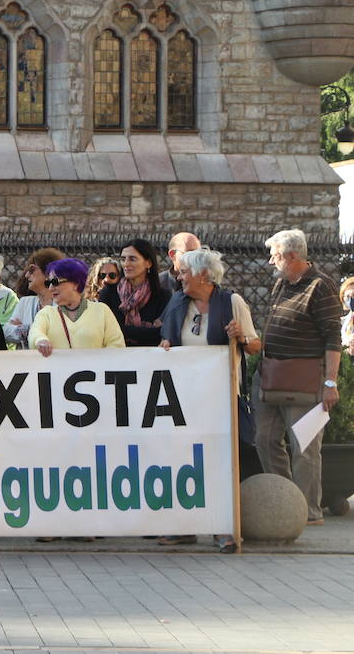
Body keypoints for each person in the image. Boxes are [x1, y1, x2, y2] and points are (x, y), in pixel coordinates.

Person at [157, 247, 260, 552]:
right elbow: (168, 340)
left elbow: (255, 346)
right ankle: (186, 527)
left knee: (219, 463)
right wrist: (165, 343)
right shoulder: (177, 303)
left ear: (203, 274)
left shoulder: (231, 302)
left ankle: (222, 528)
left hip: (221, 399)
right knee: (184, 462)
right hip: (184, 400)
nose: (179, 276)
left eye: (185, 272)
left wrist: (241, 336)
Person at [256, 228, 341, 526]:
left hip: (305, 381)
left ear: (292, 256)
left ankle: (307, 512)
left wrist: (330, 382)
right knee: (264, 438)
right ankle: (285, 503)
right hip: (272, 376)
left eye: (275, 256)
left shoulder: (321, 286)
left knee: (304, 447)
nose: (270, 262)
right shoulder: (282, 284)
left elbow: (333, 338)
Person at [28, 258, 126, 356]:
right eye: (48, 283)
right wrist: (40, 340)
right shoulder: (46, 313)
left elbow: (117, 345)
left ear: (75, 283)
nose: (50, 288)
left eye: (55, 282)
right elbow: (35, 332)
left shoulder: (101, 311)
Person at [98, 238, 171, 346]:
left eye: (132, 259)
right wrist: (148, 331)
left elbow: (162, 333)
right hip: (116, 356)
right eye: (123, 259)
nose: (126, 264)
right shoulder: (108, 293)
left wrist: (123, 329)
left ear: (148, 263)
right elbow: (107, 330)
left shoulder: (162, 296)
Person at [4, 247, 64, 349]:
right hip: (28, 363)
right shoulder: (25, 303)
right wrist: (29, 330)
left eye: (31, 270)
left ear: (48, 273)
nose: (27, 275)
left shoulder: (64, 303)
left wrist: (21, 328)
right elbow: (6, 332)